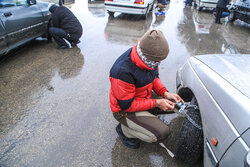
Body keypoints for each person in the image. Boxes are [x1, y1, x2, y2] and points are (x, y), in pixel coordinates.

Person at [109, 29, 184, 149]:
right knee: (161, 133)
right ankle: (124, 130)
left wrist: (164, 92)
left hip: (142, 97)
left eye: (161, 60)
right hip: (124, 110)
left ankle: (145, 117)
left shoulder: (149, 59)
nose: (159, 63)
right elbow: (126, 105)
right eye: (157, 60)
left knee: (175, 104)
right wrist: (156, 103)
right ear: (148, 56)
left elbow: (154, 78)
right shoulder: (121, 71)